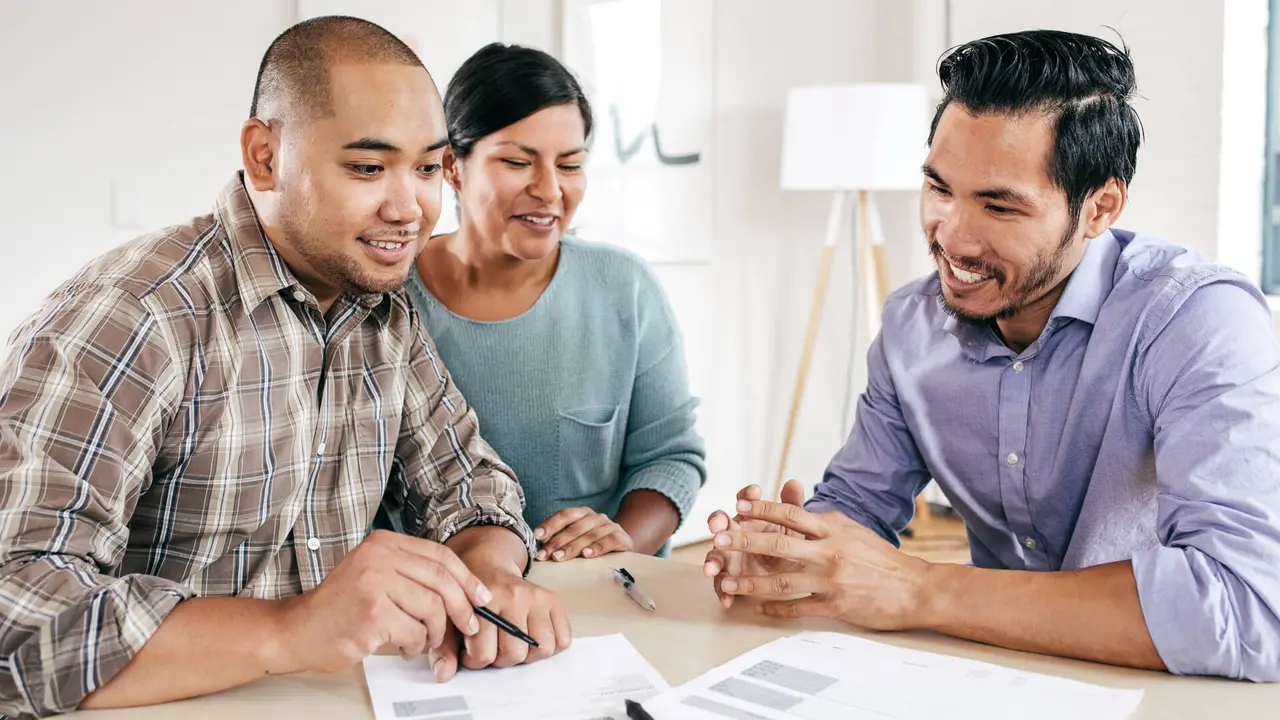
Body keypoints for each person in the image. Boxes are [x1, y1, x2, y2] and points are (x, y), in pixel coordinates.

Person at [0, 17, 570, 719]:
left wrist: (486, 579)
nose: (411, 209)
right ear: (265, 156)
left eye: (427, 168)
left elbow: (467, 477)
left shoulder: (382, 310)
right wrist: (290, 630)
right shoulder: (132, 317)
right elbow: (14, 608)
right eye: (368, 167)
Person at [703, 29, 1280, 680]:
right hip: (990, 676)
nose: (951, 235)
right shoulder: (910, 327)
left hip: (1167, 687)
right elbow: (859, 506)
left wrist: (922, 588)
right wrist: (792, 552)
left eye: (998, 205)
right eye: (939, 189)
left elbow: (1250, 608)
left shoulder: (1197, 319)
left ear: (1100, 208)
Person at [395, 43, 706, 562]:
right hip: (442, 609)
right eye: (517, 162)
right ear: (451, 165)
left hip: (603, 596)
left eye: (570, 165)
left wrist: (617, 542)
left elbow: (671, 457)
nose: (549, 190)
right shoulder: (391, 302)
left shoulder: (624, 288)